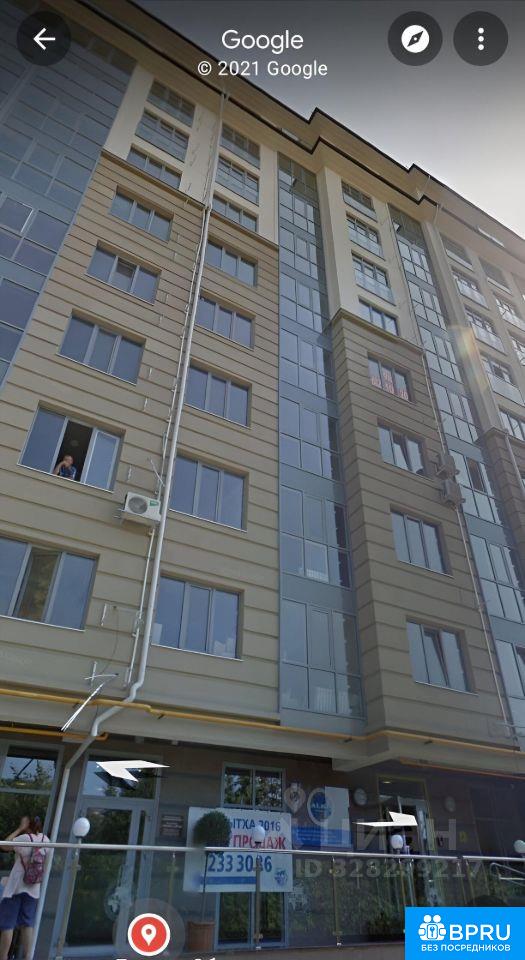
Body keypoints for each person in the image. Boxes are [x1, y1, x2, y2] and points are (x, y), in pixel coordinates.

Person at [0, 815, 48, 960]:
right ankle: (28, 957)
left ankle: (3, 957)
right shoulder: (46, 840)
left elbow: (4, 845)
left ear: (28, 825)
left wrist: (19, 829)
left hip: (15, 888)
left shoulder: (25, 838)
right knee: (27, 924)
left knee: (8, 925)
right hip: (33, 888)